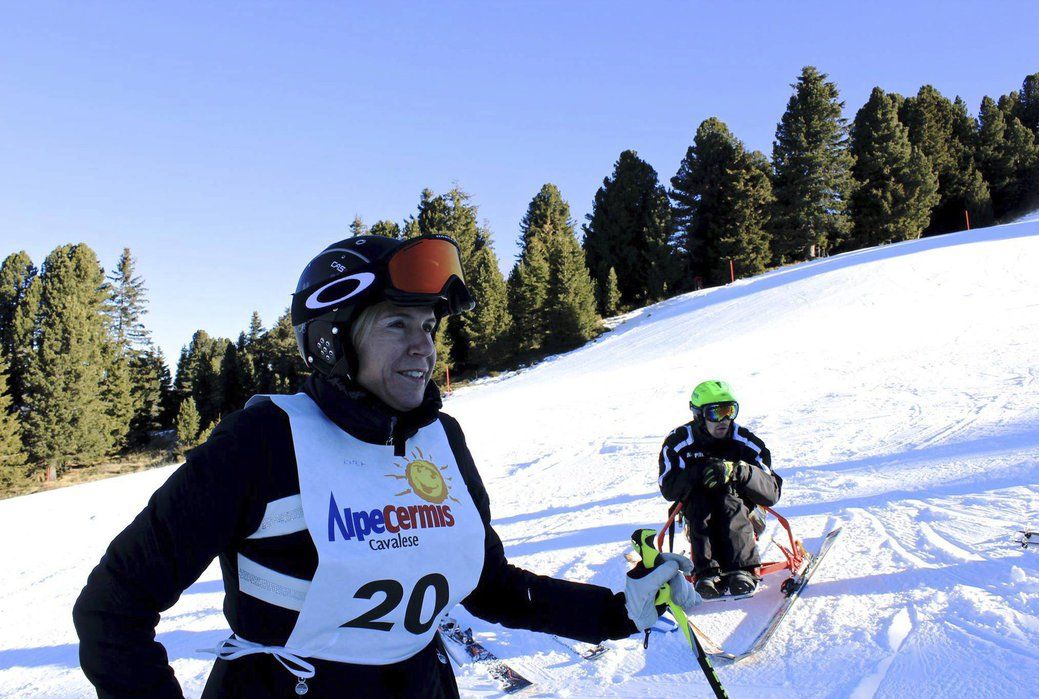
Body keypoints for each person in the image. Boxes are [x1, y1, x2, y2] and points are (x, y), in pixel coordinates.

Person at [73, 234, 697, 698]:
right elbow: (112, 608)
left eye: (428, 326)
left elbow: (489, 585)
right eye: (397, 323)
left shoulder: (442, 439)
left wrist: (621, 611)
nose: (423, 345)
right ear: (332, 338)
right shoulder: (262, 441)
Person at [657, 380, 782, 599]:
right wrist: (698, 472)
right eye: (716, 413)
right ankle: (707, 572)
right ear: (698, 414)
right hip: (697, 516)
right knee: (698, 501)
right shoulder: (679, 443)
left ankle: (742, 569)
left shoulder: (745, 441)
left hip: (748, 515)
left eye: (730, 411)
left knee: (728, 497)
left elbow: (772, 493)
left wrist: (739, 471)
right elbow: (669, 489)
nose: (724, 420)